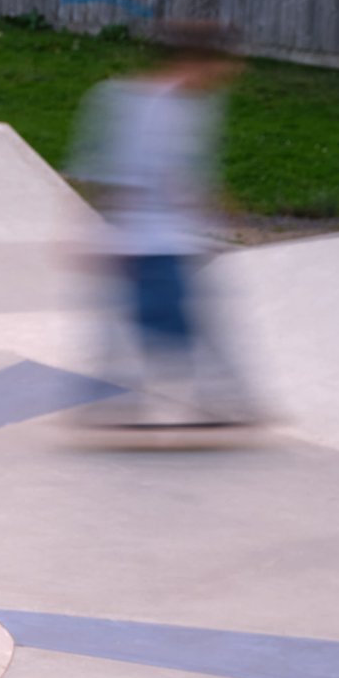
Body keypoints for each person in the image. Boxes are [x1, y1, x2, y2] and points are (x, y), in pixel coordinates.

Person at [68, 21, 258, 429]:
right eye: (215, 69)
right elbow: (114, 174)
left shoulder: (192, 105)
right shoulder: (138, 104)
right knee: (169, 320)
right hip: (144, 237)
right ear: (192, 62)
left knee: (155, 318)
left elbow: (186, 172)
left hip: (169, 235)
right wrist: (105, 237)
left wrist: (217, 207)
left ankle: (116, 399)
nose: (220, 81)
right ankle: (215, 396)